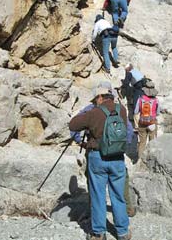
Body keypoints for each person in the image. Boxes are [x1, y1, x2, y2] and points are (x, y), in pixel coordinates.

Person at [69, 86, 131, 240]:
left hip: (98, 157)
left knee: (98, 195)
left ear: (99, 97)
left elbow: (73, 125)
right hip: (117, 157)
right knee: (118, 195)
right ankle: (122, 232)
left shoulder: (94, 112)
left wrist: (85, 114)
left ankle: (98, 233)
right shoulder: (122, 110)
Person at [134, 79, 160, 158]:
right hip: (152, 122)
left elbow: (136, 111)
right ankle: (152, 158)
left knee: (142, 142)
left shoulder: (141, 99)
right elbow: (158, 113)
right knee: (153, 141)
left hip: (142, 122)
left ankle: (140, 160)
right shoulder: (156, 100)